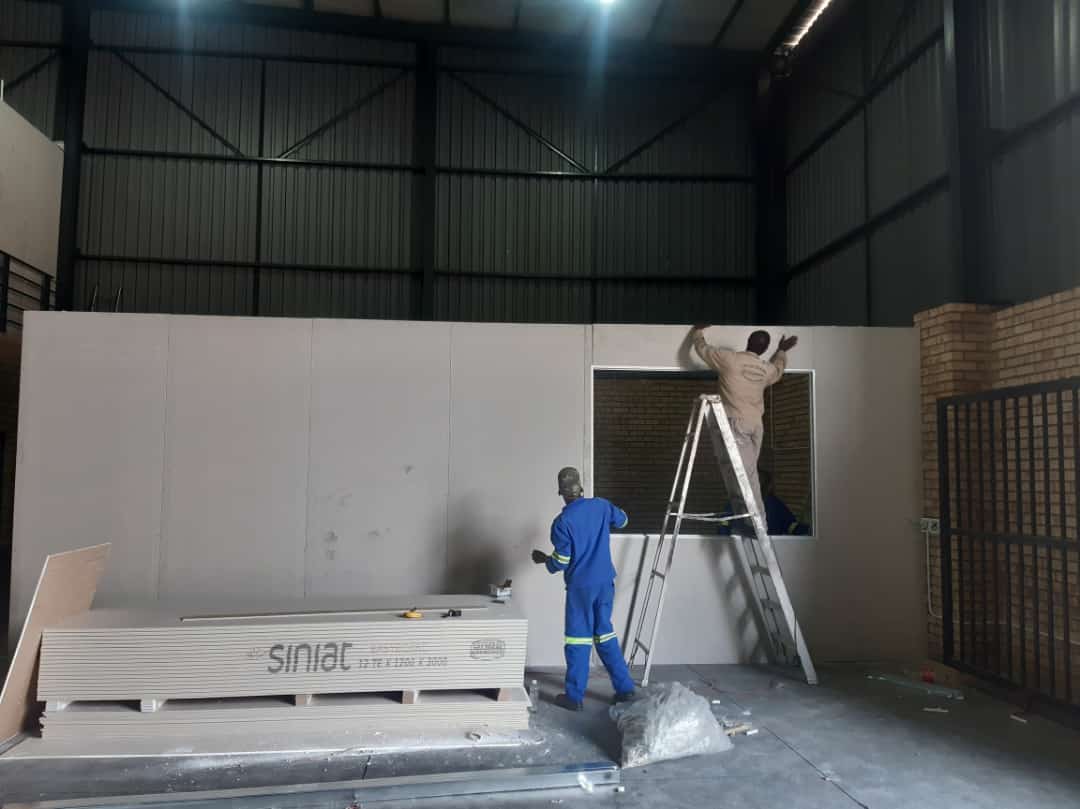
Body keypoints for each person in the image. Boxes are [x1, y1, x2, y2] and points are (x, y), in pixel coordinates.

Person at [531, 467, 636, 711]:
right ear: (581, 487)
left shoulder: (562, 523)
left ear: (561, 493)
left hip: (580, 588)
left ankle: (574, 697)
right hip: (605, 582)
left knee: (578, 639)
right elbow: (623, 520)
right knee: (605, 634)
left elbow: (562, 562)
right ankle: (625, 689)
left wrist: (544, 560)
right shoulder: (600, 506)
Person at [690, 326, 797, 518]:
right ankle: (745, 517)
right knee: (744, 473)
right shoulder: (765, 369)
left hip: (736, 425)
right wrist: (781, 351)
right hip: (756, 426)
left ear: (748, 342)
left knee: (746, 476)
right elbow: (778, 370)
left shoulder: (729, 360)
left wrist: (698, 331)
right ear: (764, 351)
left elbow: (702, 349)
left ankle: (758, 522)